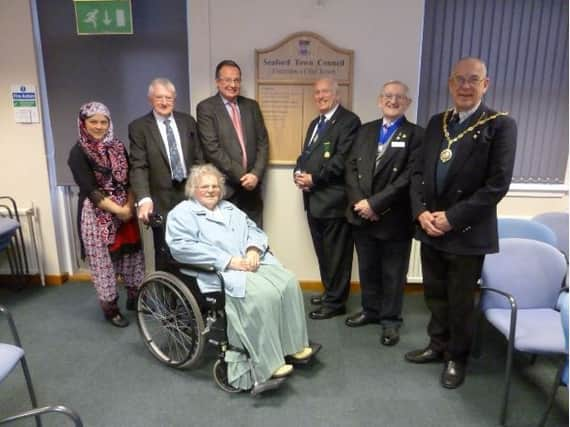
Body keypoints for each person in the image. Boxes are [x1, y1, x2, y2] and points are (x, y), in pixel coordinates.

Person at [406, 57, 516, 388]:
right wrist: (420, 211)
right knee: (434, 294)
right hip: (430, 228)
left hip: (466, 231)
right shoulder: (437, 121)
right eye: (459, 80)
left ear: (486, 84)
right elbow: (418, 173)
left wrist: (452, 218)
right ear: (450, 84)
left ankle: (457, 357)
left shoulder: (500, 125)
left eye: (473, 80)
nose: (465, 86)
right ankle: (437, 345)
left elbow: (497, 186)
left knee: (459, 300)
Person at [166, 164, 318, 390]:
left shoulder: (229, 208)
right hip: (216, 270)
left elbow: (253, 229)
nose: (211, 191)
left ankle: (293, 345)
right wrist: (228, 261)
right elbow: (182, 248)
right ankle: (268, 362)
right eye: (204, 186)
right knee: (261, 295)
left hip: (248, 261)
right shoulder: (181, 214)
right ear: (193, 189)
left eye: (215, 186)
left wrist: (253, 250)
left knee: (288, 282)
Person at [344, 81, 423, 346]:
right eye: (388, 96)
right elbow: (351, 169)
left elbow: (408, 178)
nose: (393, 101)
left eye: (399, 97)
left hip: (394, 218)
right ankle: (370, 310)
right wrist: (360, 203)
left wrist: (375, 205)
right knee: (367, 268)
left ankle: (390, 320)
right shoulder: (365, 131)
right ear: (380, 100)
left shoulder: (417, 136)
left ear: (407, 103)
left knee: (393, 272)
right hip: (362, 215)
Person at [68, 102, 145, 327]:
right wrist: (119, 210)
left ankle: (135, 299)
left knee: (133, 257)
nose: (99, 126)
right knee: (103, 264)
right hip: (97, 214)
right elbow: (90, 189)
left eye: (104, 122)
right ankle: (111, 310)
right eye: (93, 122)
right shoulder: (78, 152)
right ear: (83, 123)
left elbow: (131, 179)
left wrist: (129, 207)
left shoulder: (118, 146)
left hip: (125, 211)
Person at [294, 78, 361, 320]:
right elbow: (305, 155)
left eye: (326, 92)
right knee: (323, 252)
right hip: (314, 201)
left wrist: (314, 178)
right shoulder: (315, 123)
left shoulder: (349, 121)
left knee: (337, 255)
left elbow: (342, 160)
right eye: (317, 92)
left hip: (334, 201)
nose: (321, 96)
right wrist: (298, 172)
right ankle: (329, 292)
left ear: (337, 94)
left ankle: (336, 303)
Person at [128, 78, 202, 270]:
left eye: (168, 98)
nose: (164, 102)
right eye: (159, 97)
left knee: (193, 248)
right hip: (160, 200)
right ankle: (165, 297)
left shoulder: (188, 122)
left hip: (189, 196)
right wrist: (144, 198)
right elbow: (139, 166)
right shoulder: (139, 127)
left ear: (174, 99)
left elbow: (198, 158)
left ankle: (190, 295)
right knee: (164, 251)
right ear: (150, 99)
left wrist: (200, 188)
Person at [196, 60, 269, 227]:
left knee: (254, 241)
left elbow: (263, 142)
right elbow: (212, 149)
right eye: (227, 80)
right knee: (226, 243)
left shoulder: (252, 106)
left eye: (236, 80)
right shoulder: (206, 108)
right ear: (218, 82)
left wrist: (256, 175)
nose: (233, 84)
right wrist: (243, 176)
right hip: (224, 189)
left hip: (252, 189)